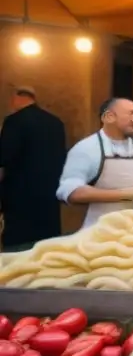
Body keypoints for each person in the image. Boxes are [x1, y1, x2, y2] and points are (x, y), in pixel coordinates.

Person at [56, 97, 133, 230]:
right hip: (100, 230)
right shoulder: (86, 148)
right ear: (109, 117)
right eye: (131, 113)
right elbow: (71, 191)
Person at [0, 87, 66, 250]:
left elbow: (4, 155)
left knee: (19, 242)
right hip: (50, 191)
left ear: (17, 98)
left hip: (20, 192)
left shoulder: (14, 121)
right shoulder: (56, 122)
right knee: (47, 239)